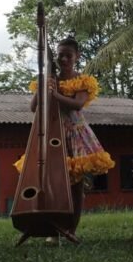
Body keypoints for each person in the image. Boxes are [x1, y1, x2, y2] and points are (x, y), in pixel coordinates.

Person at [14, 36, 115, 241]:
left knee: (76, 185)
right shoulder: (50, 79)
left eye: (68, 55)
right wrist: (44, 84)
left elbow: (77, 104)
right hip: (52, 134)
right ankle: (54, 229)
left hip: (75, 134)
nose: (64, 59)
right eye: (60, 56)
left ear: (77, 56)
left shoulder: (83, 81)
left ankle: (71, 228)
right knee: (52, 181)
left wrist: (54, 94)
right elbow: (34, 108)